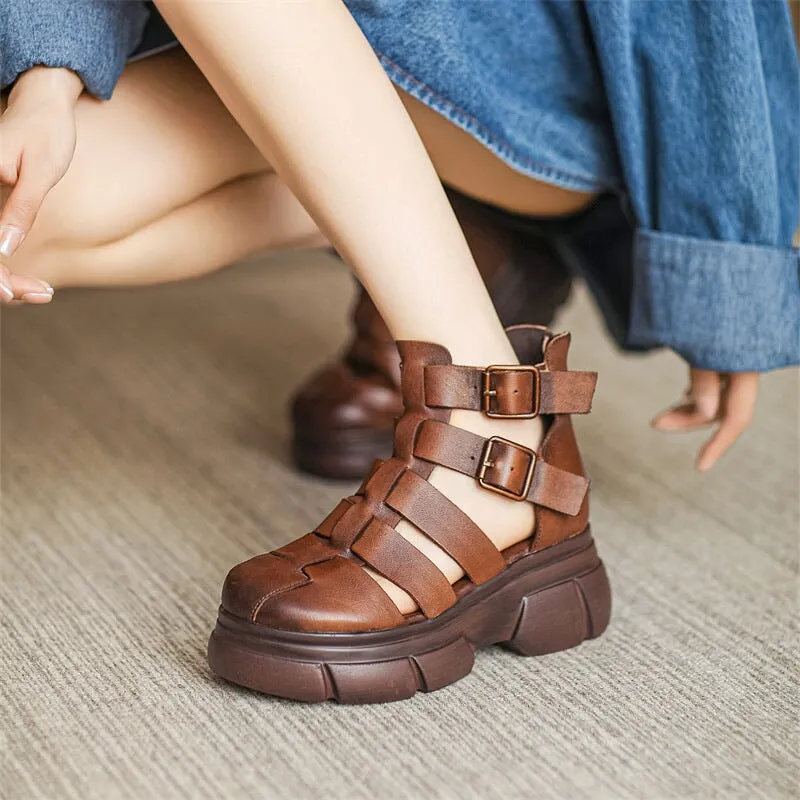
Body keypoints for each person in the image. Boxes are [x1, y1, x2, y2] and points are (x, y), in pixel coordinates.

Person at [1, 0, 797, 703]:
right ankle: (445, 237)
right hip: (277, 40)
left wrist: (731, 255)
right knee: (25, 223)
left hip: (513, 72)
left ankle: (492, 434)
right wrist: (48, 68)